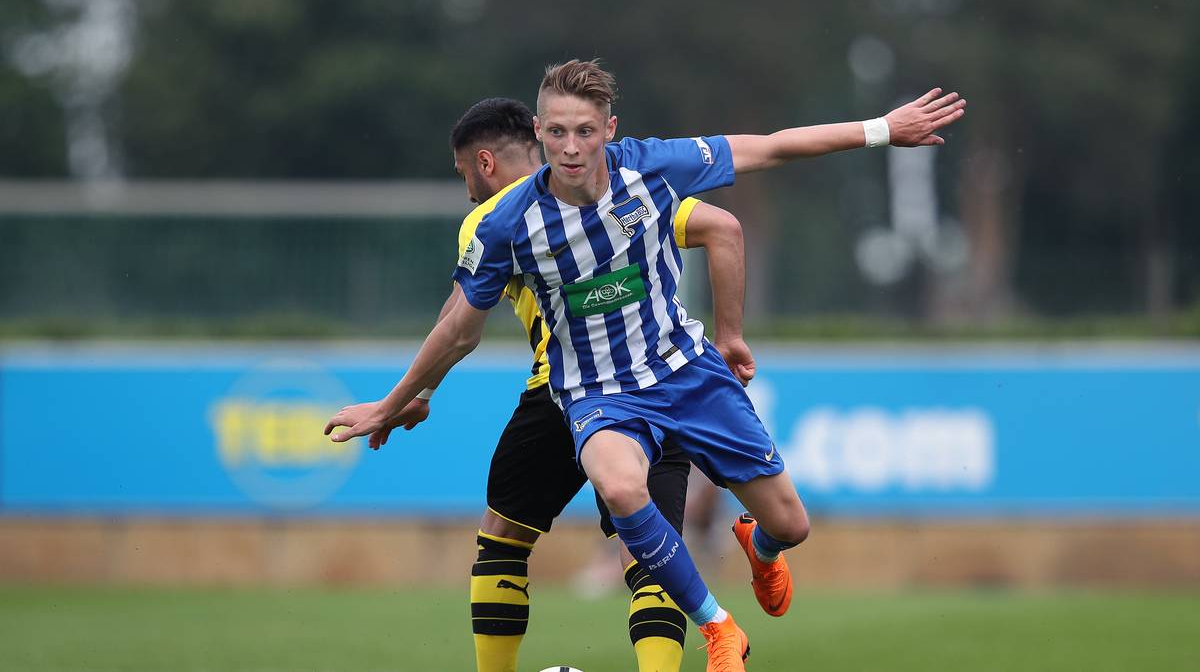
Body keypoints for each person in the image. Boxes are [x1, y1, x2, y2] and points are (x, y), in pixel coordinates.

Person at [326, 59, 965, 672]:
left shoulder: (652, 171)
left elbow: (768, 148)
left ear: (608, 130)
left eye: (584, 131)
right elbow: (457, 328)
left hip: (685, 374)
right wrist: (393, 400)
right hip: (595, 393)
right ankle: (720, 630)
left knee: (790, 525)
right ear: (539, 133)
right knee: (623, 488)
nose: (570, 147)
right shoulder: (506, 226)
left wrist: (882, 129)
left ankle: (759, 546)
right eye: (556, 132)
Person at [389, 97, 756, 672]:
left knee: (504, 537)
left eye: (464, 174)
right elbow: (719, 225)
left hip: (563, 393)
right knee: (653, 550)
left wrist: (418, 392)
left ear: (484, 163)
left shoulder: (491, 222)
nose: (466, 191)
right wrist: (729, 333)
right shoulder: (618, 186)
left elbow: (458, 321)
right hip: (663, 386)